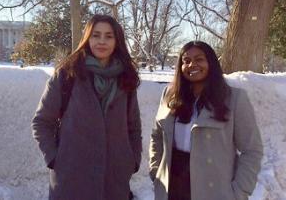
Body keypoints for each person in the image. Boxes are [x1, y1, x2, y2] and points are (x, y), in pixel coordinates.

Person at [31, 14, 141, 200]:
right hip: (72, 178)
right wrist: (55, 158)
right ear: (87, 38)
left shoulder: (125, 78)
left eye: (109, 36)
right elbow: (42, 122)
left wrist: (132, 161)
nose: (101, 41)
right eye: (96, 35)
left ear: (117, 41)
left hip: (114, 179)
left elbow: (133, 127)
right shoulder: (67, 74)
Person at [149, 41, 263, 200]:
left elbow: (252, 150)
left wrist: (240, 191)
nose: (191, 65)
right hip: (171, 186)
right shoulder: (169, 95)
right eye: (186, 61)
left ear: (211, 62)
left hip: (213, 189)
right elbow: (157, 135)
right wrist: (156, 171)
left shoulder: (234, 99)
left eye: (199, 59)